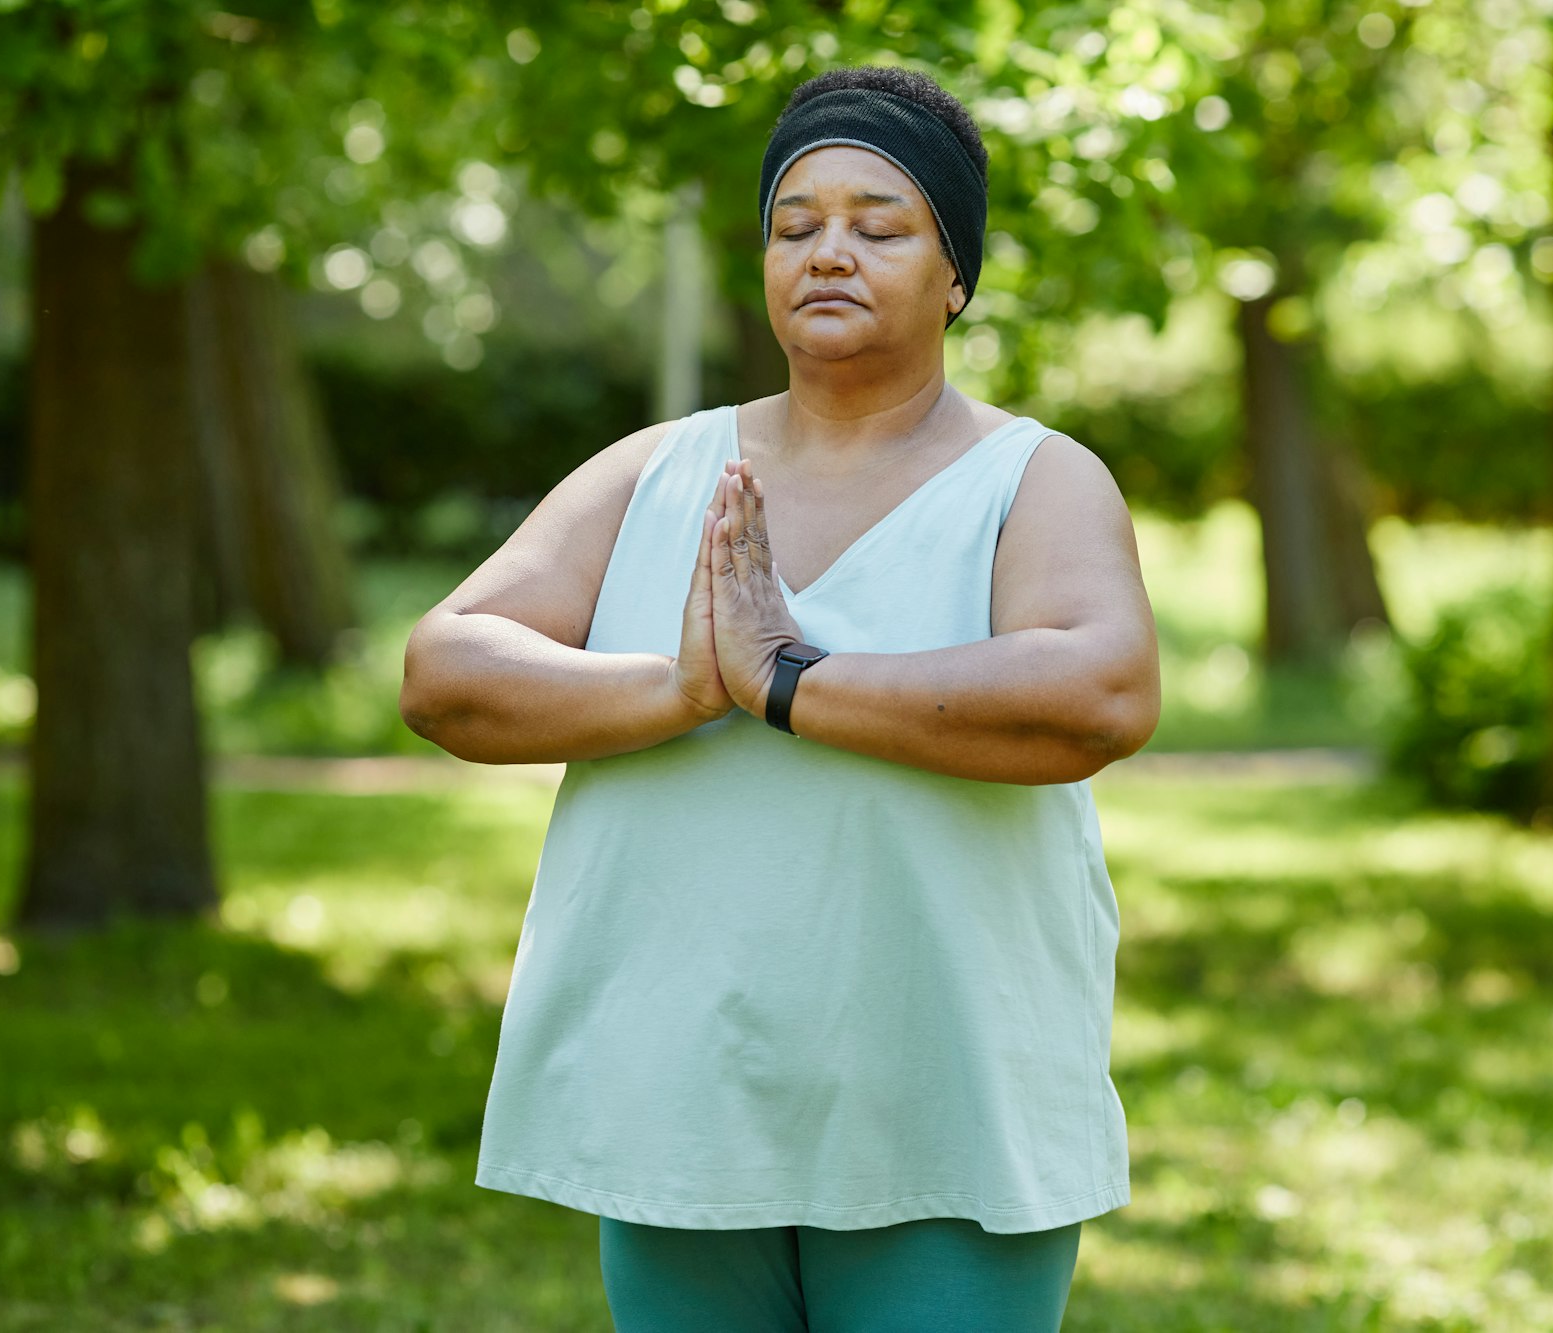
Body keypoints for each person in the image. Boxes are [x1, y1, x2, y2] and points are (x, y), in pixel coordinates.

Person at [398, 63, 1161, 1332]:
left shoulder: (1033, 479)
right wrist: (682, 685)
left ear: (955, 270)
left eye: (879, 224)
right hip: (683, 1111)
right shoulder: (657, 470)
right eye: (793, 225)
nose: (828, 252)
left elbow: (1100, 690)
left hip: (944, 1120)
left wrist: (793, 682)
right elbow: (446, 670)